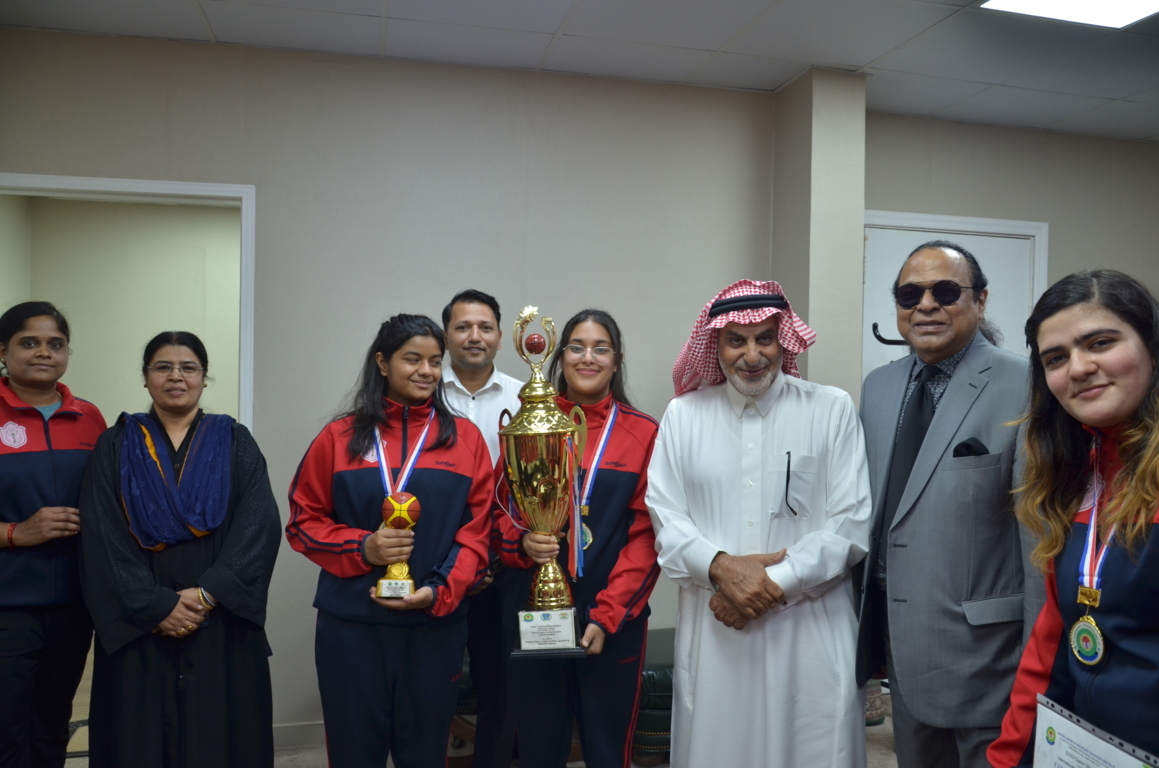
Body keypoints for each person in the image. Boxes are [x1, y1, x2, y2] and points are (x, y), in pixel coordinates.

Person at [646, 280, 872, 768]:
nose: (752, 355)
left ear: (783, 341)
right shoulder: (683, 416)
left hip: (808, 630)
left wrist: (769, 585)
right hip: (717, 630)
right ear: (715, 345)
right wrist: (721, 568)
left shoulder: (830, 408)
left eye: (765, 338)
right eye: (736, 341)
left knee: (811, 746)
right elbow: (666, 517)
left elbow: (850, 523)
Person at [854, 241, 1034, 768]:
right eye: (910, 294)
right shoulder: (879, 388)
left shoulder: (1027, 385)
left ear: (981, 300)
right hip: (898, 645)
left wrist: (1038, 666)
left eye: (946, 291)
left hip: (988, 658)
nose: (926, 305)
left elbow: (1038, 540)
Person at [286, 314, 493, 768]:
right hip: (351, 630)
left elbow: (478, 532)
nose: (426, 371)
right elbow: (303, 522)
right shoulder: (338, 437)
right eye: (412, 359)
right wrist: (362, 548)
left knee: (425, 755)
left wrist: (439, 591)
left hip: (434, 629)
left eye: (435, 362)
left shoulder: (465, 439)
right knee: (354, 753)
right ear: (382, 363)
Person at [78, 331, 281, 768]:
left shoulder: (235, 441)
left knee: (224, 739)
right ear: (145, 377)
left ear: (204, 377)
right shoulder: (114, 445)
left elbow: (258, 525)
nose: (176, 376)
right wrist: (155, 606)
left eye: (188, 367)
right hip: (141, 625)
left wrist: (207, 594)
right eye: (163, 367)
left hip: (220, 620)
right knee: (138, 744)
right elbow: (101, 535)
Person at [988, 270, 1159, 764]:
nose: (1079, 368)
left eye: (1100, 342)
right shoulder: (1079, 472)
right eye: (1056, 358)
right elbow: (1054, 637)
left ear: (1151, 348)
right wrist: (1009, 756)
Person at [494, 309, 660, 768]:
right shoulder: (529, 425)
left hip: (611, 618)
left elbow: (647, 536)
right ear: (559, 356)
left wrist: (607, 616)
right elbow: (499, 512)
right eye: (577, 347)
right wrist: (522, 543)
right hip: (534, 611)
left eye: (600, 348)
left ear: (616, 360)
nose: (588, 358)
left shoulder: (643, 432)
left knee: (607, 752)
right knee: (538, 750)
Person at [0, 302, 106, 768]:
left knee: (51, 723)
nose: (44, 352)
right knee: (6, 727)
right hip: (8, 603)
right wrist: (16, 532)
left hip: (74, 604)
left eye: (55, 344)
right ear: (3, 351)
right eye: (29, 342)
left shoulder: (89, 417)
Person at [440, 289, 522, 768]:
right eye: (463, 327)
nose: (475, 336)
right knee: (431, 684)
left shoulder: (524, 398)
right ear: (446, 334)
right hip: (437, 564)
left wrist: (496, 553)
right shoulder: (424, 390)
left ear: (500, 336)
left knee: (500, 686)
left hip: (503, 566)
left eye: (485, 327)